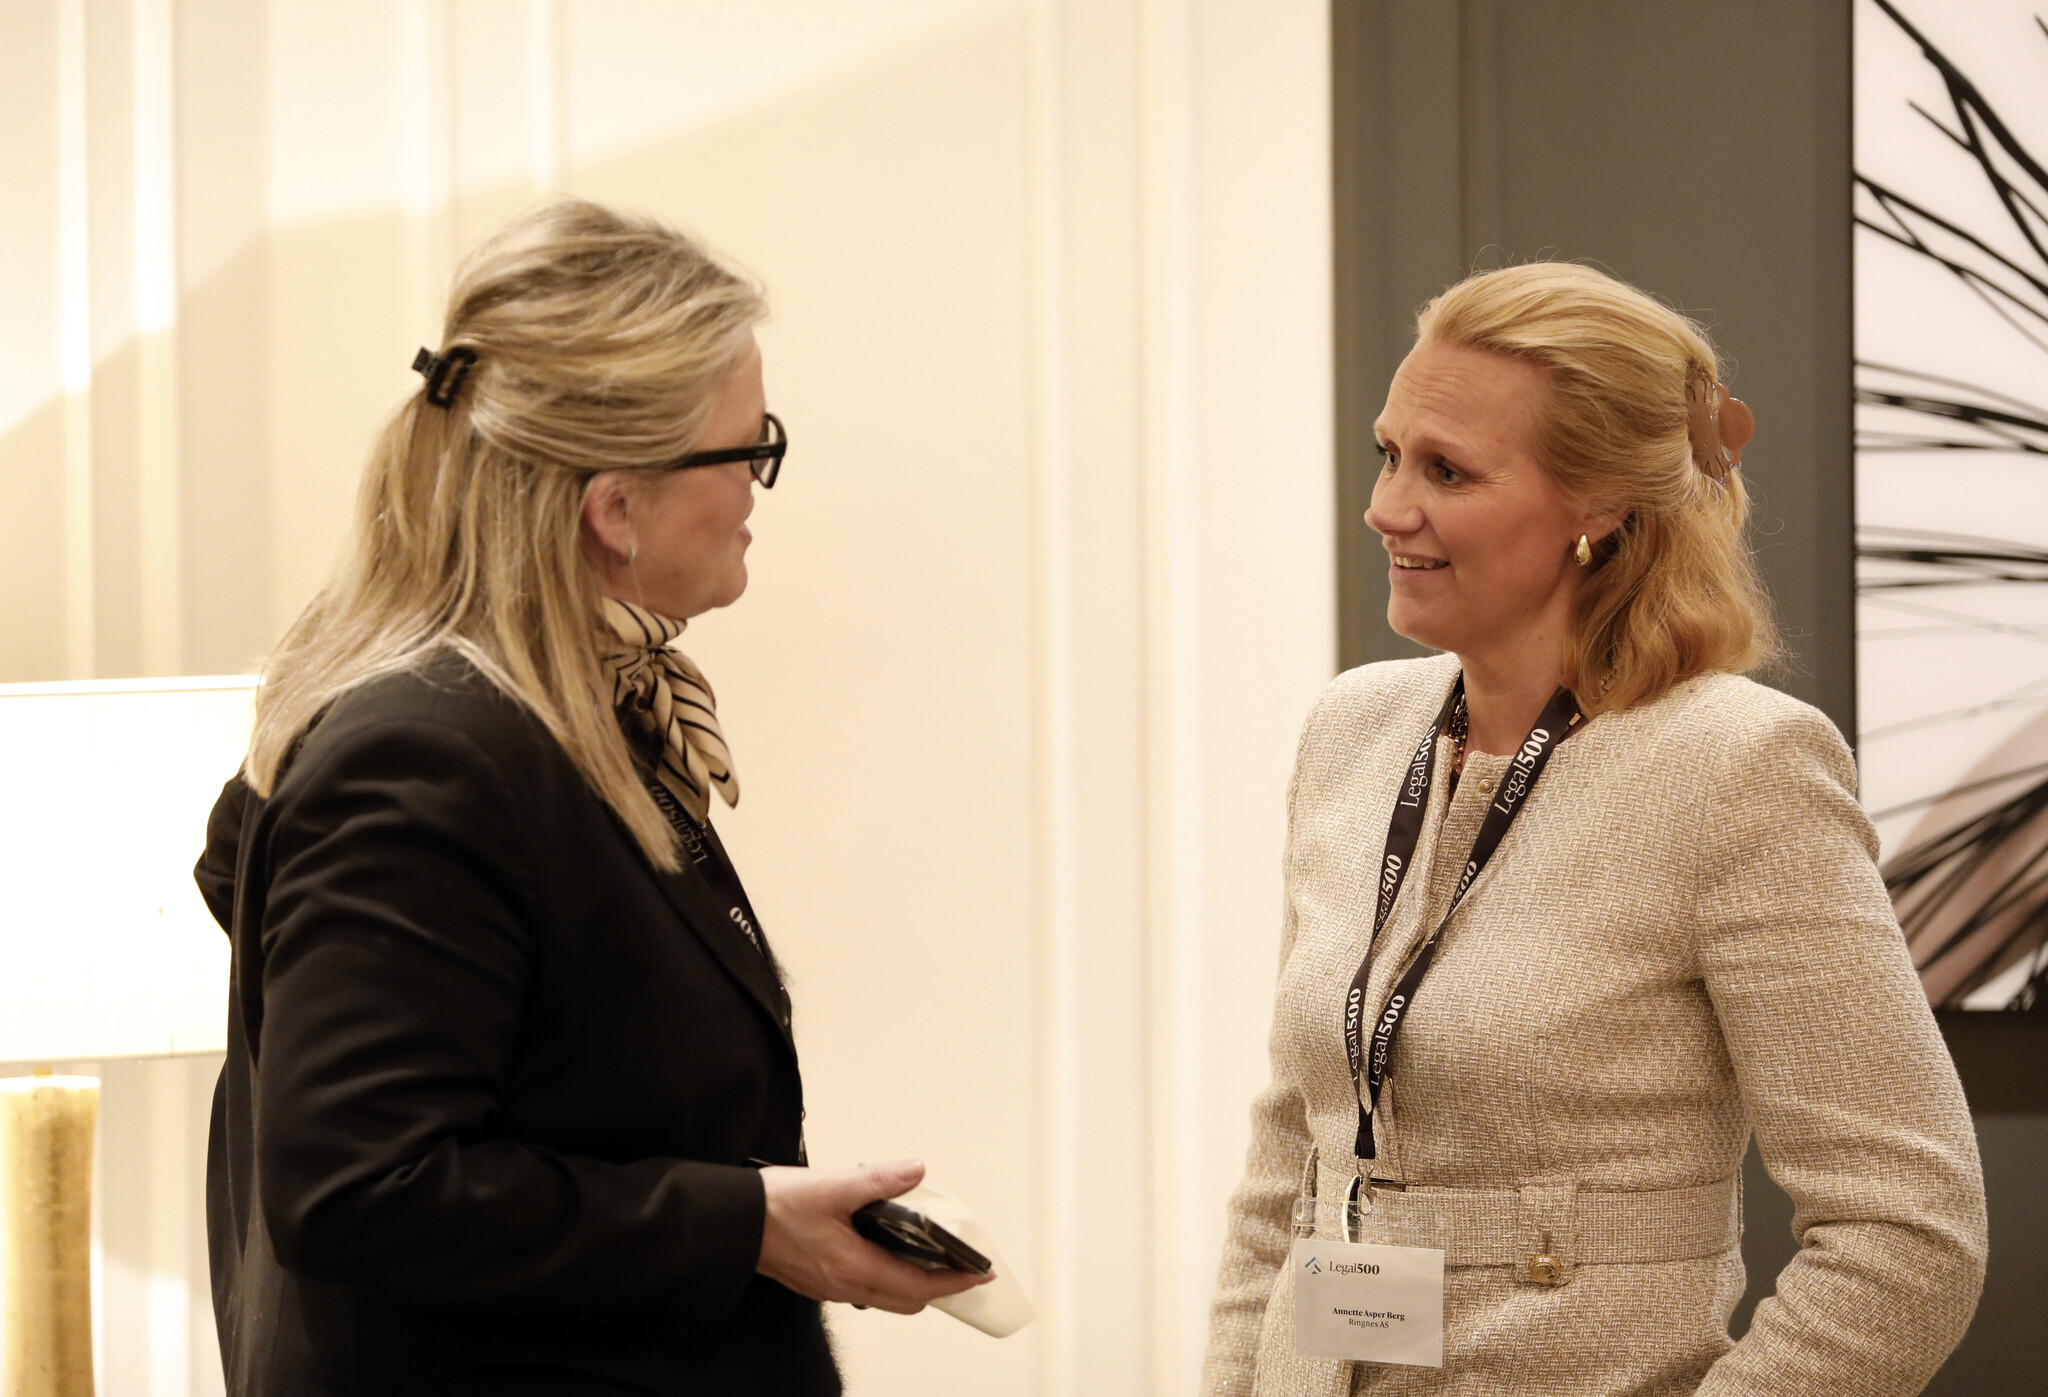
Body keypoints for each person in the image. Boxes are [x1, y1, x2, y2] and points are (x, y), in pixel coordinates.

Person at [192, 198, 987, 1396]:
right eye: (745, 449)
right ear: (614, 507)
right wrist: (745, 1224)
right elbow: (360, 1186)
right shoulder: (423, 755)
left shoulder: (556, 715)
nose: (757, 485)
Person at [1201, 262, 1987, 1396]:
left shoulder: (1736, 765)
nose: (1386, 506)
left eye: (1446, 470)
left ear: (1599, 507)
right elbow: (1291, 1161)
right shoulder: (1351, 729)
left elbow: (1908, 1232)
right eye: (1388, 453)